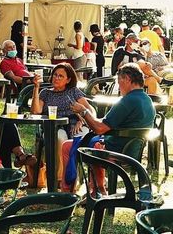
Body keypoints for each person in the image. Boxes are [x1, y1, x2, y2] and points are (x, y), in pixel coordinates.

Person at [63, 63, 156, 192]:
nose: (119, 86)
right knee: (94, 142)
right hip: (133, 152)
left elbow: (99, 129)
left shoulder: (127, 101)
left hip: (116, 153)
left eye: (119, 82)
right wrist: (89, 118)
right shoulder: (147, 100)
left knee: (68, 147)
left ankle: (68, 191)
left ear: (127, 79)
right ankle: (97, 189)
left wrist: (84, 111)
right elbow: (108, 123)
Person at [31, 63, 96, 180]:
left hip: (75, 125)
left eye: (61, 76)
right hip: (54, 126)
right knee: (60, 138)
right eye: (55, 75)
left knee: (79, 138)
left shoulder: (73, 91)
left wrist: (82, 121)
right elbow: (36, 112)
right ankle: (62, 178)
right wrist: (36, 88)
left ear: (68, 79)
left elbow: (91, 111)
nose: (56, 78)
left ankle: (75, 177)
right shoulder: (45, 93)